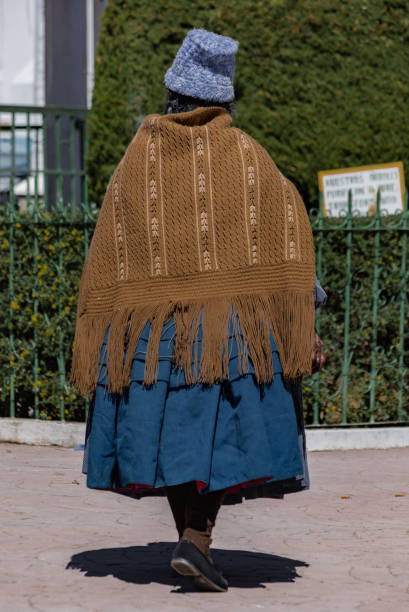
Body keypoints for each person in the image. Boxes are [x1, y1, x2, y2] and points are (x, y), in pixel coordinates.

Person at [71, 28, 327, 593]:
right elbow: (287, 225)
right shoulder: (246, 153)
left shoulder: (140, 153)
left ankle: (193, 541)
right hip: (230, 330)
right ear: (223, 100)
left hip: (152, 332)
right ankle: (197, 542)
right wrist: (305, 305)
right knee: (217, 434)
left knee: (170, 437)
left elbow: (115, 237)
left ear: (173, 94)